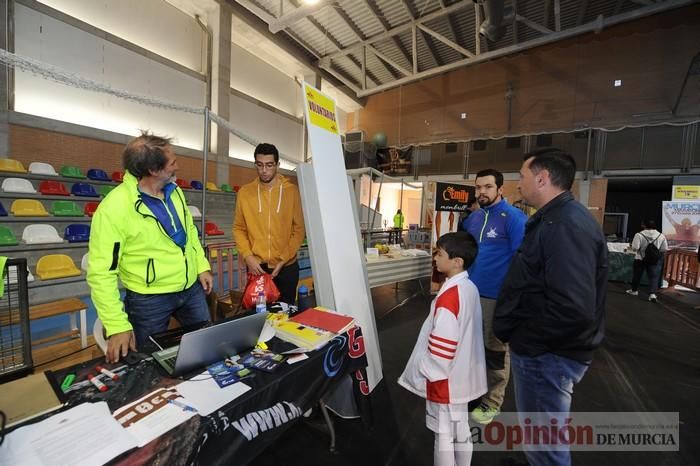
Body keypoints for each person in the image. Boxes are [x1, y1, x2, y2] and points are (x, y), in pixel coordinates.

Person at [494, 148, 607, 466]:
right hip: (545, 353)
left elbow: (573, 306)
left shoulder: (565, 225)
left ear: (542, 178)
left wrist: (527, 341)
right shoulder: (556, 219)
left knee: (547, 447)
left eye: (523, 176)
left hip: (547, 356)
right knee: (539, 438)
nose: (518, 184)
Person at [88, 131, 213, 363]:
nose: (178, 166)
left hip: (191, 290)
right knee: (150, 363)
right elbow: (101, 273)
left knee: (206, 348)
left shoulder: (175, 193)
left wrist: (201, 267)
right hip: (149, 301)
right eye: (173, 162)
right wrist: (116, 325)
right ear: (154, 170)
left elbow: (190, 234)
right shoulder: (113, 209)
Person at [399, 231, 487, 466]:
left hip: (445, 379)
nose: (435, 257)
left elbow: (441, 350)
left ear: (457, 262)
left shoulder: (450, 298)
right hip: (462, 374)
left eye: (439, 253)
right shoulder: (468, 288)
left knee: (444, 435)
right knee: (460, 429)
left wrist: (426, 368)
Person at [461, 169, 527, 425]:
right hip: (469, 293)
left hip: (496, 297)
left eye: (487, 187)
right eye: (478, 188)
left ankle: (492, 401)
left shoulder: (514, 218)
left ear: (500, 189)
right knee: (470, 346)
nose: (482, 192)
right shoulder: (473, 219)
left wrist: (514, 298)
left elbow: (523, 261)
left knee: (495, 349)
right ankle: (475, 391)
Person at [233, 143, 305, 305]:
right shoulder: (245, 193)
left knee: (286, 316)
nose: (264, 170)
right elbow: (238, 228)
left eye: (269, 165)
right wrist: (248, 256)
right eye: (259, 165)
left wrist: (283, 259)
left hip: (286, 266)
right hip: (258, 267)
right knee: (259, 317)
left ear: (277, 165)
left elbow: (299, 229)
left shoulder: (292, 191)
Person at [625, 219, 668, 302]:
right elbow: (664, 249)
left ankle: (634, 291)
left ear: (644, 225)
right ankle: (652, 294)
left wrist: (627, 250)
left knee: (637, 275)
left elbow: (635, 248)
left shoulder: (639, 235)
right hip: (654, 260)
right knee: (653, 277)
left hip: (640, 258)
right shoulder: (661, 236)